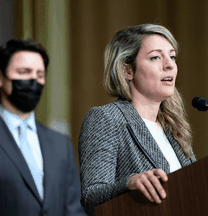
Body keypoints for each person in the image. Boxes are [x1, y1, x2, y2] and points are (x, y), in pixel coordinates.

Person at [78, 24, 197, 215]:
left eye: (172, 56)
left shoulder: (175, 128)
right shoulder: (106, 118)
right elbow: (91, 198)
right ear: (128, 71)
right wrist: (129, 183)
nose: (169, 65)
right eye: (156, 57)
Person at [0, 39, 85, 216]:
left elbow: (75, 211)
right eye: (24, 72)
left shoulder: (61, 144)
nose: (33, 81)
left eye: (40, 75)